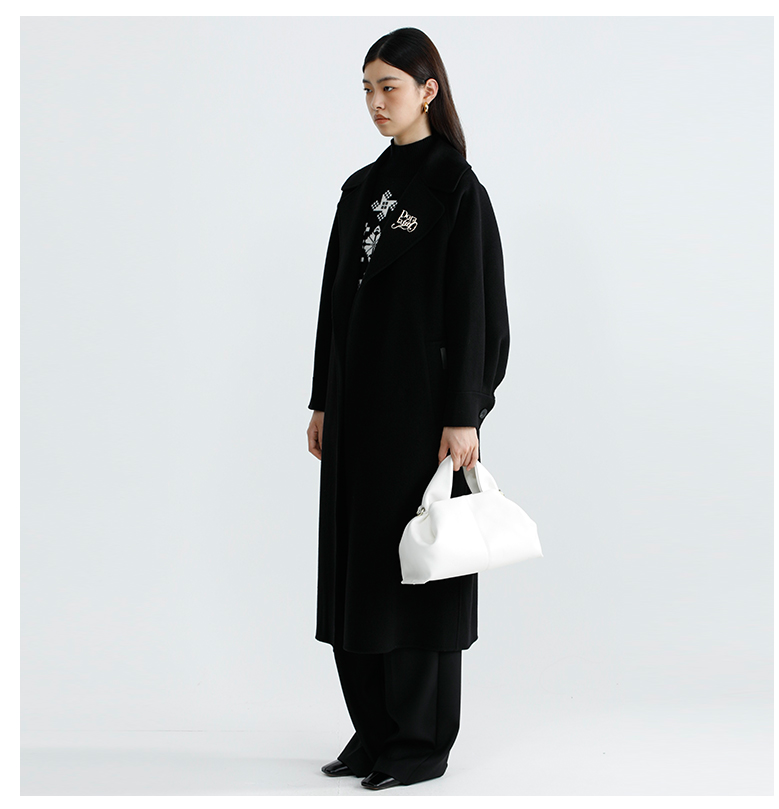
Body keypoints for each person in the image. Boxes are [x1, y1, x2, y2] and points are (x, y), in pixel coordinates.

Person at [306, 27, 510, 791]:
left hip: (423, 418)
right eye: (367, 88)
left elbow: (479, 312)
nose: (375, 102)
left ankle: (419, 742)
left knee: (419, 573)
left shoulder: (456, 189)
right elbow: (333, 304)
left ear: (428, 91)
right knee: (358, 569)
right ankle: (374, 730)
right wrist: (322, 398)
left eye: (388, 86)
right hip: (356, 413)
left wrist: (466, 413)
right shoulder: (361, 189)